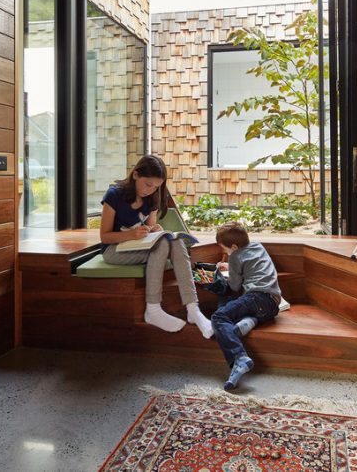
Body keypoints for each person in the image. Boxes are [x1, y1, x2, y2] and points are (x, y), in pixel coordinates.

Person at [100, 154, 213, 337]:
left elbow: (150, 226)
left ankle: (193, 309)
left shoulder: (152, 197)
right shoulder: (114, 195)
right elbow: (104, 237)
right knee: (162, 245)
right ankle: (153, 310)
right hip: (114, 250)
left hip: (136, 245)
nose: (150, 190)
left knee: (175, 241)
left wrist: (154, 229)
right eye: (148, 184)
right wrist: (130, 235)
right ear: (135, 175)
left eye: (156, 187)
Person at [211, 222, 281, 390]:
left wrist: (226, 271)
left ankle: (240, 357)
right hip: (272, 304)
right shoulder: (258, 246)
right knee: (242, 309)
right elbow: (249, 262)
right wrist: (232, 266)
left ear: (234, 247)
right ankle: (245, 324)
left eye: (225, 249)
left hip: (256, 297)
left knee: (219, 316)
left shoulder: (235, 256)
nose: (225, 253)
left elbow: (234, 286)